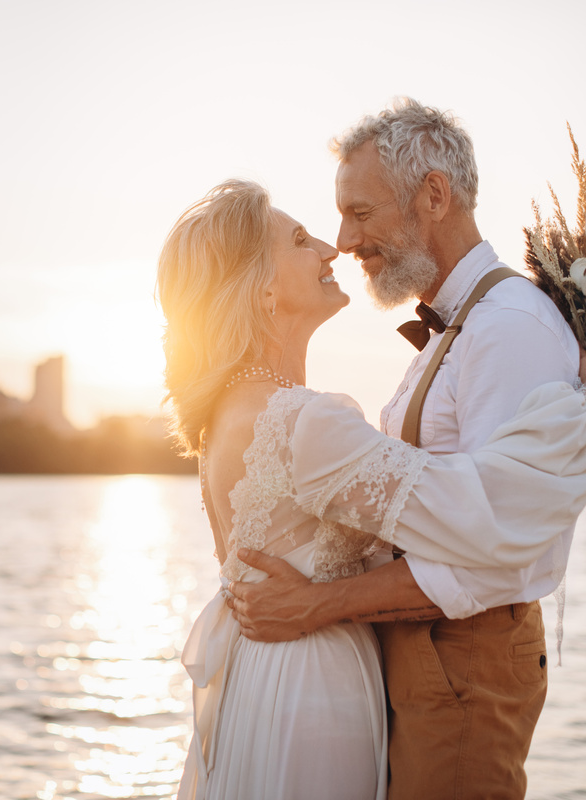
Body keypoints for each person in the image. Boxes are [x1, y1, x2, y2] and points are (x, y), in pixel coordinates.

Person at [157, 177, 586, 800]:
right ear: (264, 289)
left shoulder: (226, 415)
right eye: (301, 240)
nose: (332, 250)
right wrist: (574, 406)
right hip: (313, 689)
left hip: (257, 680)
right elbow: (474, 510)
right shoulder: (301, 422)